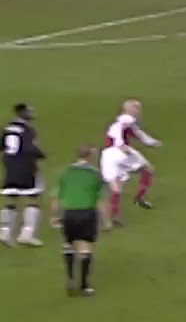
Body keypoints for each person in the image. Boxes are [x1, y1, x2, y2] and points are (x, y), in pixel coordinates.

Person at [50, 146, 107, 295]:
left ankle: (70, 279)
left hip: (69, 213)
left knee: (68, 245)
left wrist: (54, 216)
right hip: (87, 213)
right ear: (90, 157)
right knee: (85, 248)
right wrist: (107, 220)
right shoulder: (95, 175)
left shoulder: (65, 173)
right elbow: (100, 200)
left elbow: (56, 197)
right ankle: (84, 285)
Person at [101, 99, 163, 225]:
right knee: (148, 169)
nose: (139, 111)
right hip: (120, 152)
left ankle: (114, 215)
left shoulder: (121, 123)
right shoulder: (126, 119)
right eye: (137, 108)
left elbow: (140, 135)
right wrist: (123, 146)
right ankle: (140, 198)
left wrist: (152, 142)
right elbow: (127, 134)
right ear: (129, 110)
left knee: (116, 187)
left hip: (107, 155)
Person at [2, 102, 46, 247]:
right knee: (33, 198)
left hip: (11, 168)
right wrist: (41, 154)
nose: (31, 113)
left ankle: (5, 231)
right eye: (29, 111)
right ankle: (26, 234)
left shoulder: (7, 128)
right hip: (26, 167)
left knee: (11, 198)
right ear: (22, 113)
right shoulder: (27, 130)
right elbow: (29, 148)